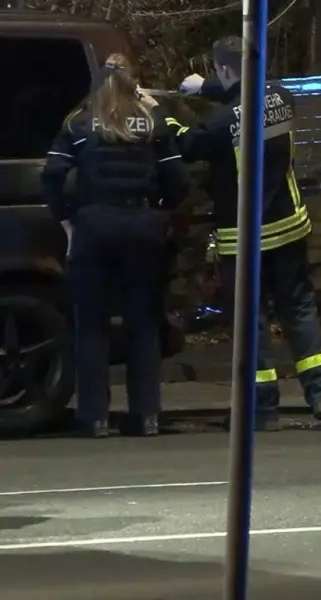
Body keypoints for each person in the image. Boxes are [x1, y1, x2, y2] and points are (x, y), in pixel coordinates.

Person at [171, 36, 321, 431]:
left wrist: (165, 114)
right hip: (289, 226)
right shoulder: (282, 98)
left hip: (246, 236)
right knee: (300, 312)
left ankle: (260, 408)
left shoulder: (217, 124)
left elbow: (186, 143)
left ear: (227, 69)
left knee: (251, 323)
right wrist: (206, 87)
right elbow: (246, 95)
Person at [41, 55, 190, 438]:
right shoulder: (151, 123)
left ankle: (95, 418)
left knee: (92, 325)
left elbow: (52, 174)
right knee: (143, 322)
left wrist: (67, 219)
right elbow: (178, 180)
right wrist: (160, 208)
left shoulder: (78, 123)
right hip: (143, 227)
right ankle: (146, 416)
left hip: (94, 226)